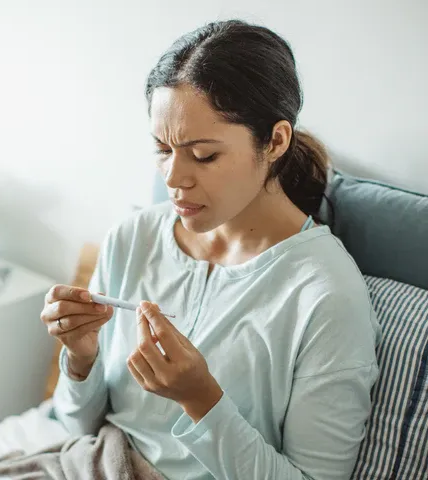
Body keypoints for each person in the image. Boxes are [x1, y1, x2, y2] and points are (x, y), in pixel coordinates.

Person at [41, 19, 381, 480]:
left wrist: (201, 399)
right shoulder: (132, 238)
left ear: (276, 141)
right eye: (163, 149)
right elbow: (77, 427)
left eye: (204, 155)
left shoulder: (326, 294)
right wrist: (81, 358)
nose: (173, 178)